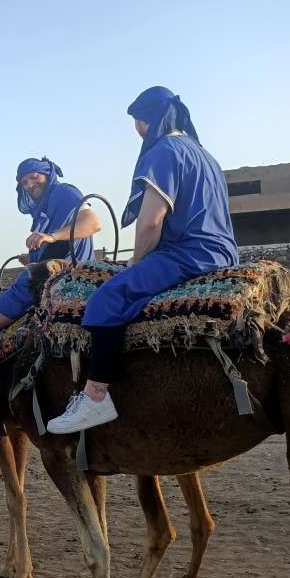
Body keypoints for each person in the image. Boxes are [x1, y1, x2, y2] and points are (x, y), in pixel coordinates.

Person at [46, 86, 238, 434]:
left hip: (187, 253)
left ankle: (95, 396)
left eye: (137, 123)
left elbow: (151, 221)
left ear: (147, 121)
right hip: (224, 251)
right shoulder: (204, 154)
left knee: (108, 298)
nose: (137, 131)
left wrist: (135, 264)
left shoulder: (165, 150)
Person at [0, 157, 102, 428]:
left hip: (53, 277)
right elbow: (60, 244)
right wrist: (34, 256)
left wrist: (50, 237)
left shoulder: (64, 193)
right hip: (58, 270)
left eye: (34, 177)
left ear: (48, 174)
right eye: (25, 181)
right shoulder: (45, 209)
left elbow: (92, 221)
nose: (30, 184)